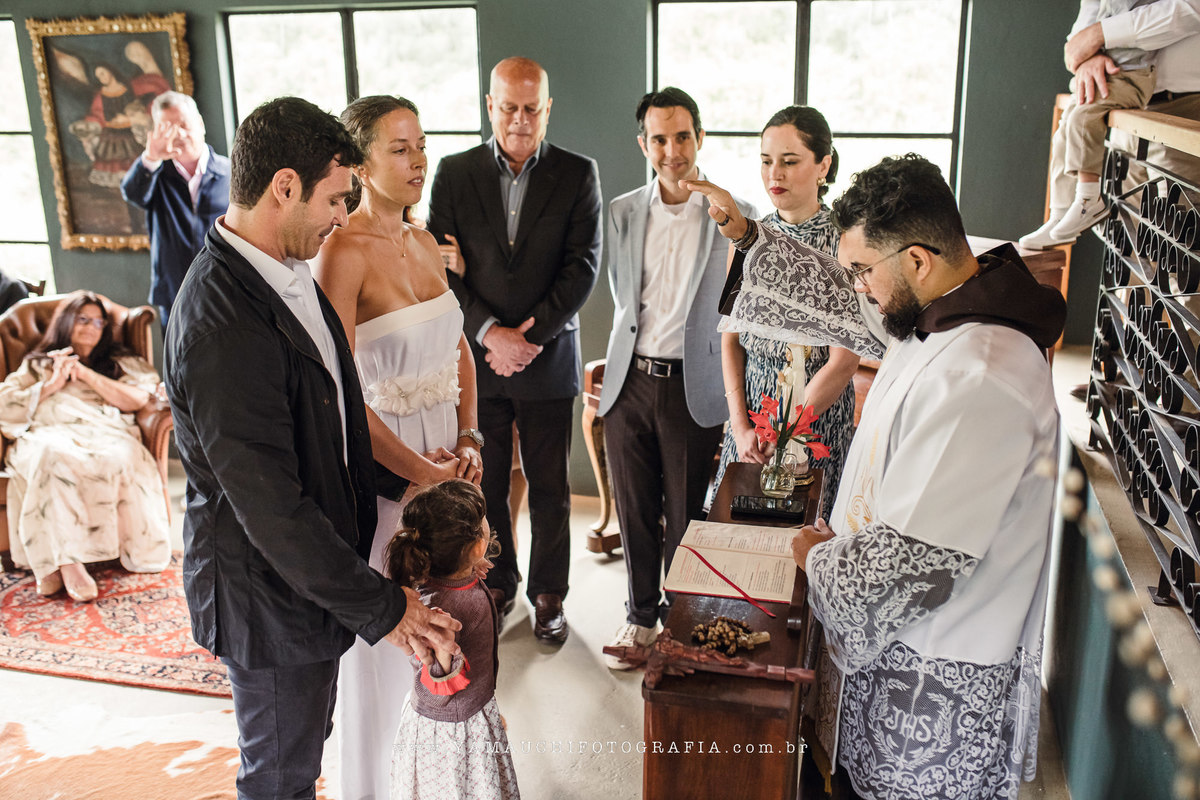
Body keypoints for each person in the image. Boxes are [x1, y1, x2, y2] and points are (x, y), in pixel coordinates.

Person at [690, 154, 1066, 798]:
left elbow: (914, 569)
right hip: (902, 659)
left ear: (918, 260)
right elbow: (839, 300)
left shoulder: (980, 379)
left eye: (864, 270)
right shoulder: (945, 304)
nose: (857, 287)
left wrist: (819, 554)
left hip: (931, 678)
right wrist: (749, 238)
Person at [162, 96, 461, 800]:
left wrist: (405, 488)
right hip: (263, 596)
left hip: (308, 580)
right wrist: (389, 610)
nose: (341, 216)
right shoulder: (220, 326)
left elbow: (333, 421)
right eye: (334, 198)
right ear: (284, 186)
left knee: (307, 750)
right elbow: (271, 508)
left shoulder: (290, 269)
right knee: (280, 776)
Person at [313, 94, 482, 800]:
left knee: (456, 618)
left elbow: (459, 346)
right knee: (398, 630)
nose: (419, 162)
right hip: (390, 477)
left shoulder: (422, 239)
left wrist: (470, 435)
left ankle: (442, 778)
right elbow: (342, 397)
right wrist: (421, 474)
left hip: (449, 455)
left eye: (421, 145)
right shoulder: (340, 251)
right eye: (400, 149)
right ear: (358, 163)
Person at [427, 57, 602, 643]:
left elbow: (583, 268)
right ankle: (498, 581)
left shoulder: (579, 174)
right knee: (490, 483)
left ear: (548, 108)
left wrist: (527, 339)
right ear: (490, 105)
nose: (521, 120)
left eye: (532, 108)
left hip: (547, 360)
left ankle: (550, 594)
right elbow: (441, 266)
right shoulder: (453, 173)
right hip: (479, 363)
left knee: (552, 487)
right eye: (509, 107)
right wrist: (488, 333)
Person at [596, 87, 756, 668]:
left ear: (700, 138)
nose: (671, 150)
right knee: (635, 507)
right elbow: (622, 298)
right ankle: (639, 620)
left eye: (682, 136)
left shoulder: (732, 213)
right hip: (629, 381)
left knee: (686, 510)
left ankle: (681, 623)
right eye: (659, 139)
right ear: (644, 144)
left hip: (694, 384)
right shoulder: (620, 211)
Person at [714, 105, 858, 517]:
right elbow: (730, 338)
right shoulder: (747, 236)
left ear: (823, 165)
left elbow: (844, 361)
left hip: (816, 418)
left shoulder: (845, 242)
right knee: (743, 542)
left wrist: (789, 429)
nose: (774, 174)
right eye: (766, 161)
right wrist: (740, 427)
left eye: (789, 161)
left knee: (805, 550)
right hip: (751, 420)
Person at [0, 290, 169, 603]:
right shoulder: (37, 364)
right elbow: (4, 403)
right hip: (49, 429)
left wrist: (86, 375)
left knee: (117, 455)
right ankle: (67, 562)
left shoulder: (120, 362)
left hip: (102, 429)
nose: (92, 327)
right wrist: (50, 385)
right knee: (50, 456)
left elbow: (138, 399)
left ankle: (51, 564)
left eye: (99, 322)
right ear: (67, 321)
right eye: (83, 319)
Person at [386, 479, 520, 800]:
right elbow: (434, 681)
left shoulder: (450, 576)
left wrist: (472, 567)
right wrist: (443, 664)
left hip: (470, 708)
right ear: (474, 545)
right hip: (454, 733)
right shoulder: (440, 612)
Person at [1018, 0, 1160, 249]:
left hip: (1130, 74)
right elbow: (1078, 40)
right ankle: (1060, 211)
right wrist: (1088, 55)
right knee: (1066, 128)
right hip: (1104, 73)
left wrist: (1098, 42)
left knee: (1083, 120)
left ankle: (1088, 199)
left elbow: (1163, 20)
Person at [1060, 0, 1200, 198]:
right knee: (1119, 224)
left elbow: (1191, 8)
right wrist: (1090, 53)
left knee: (1178, 221)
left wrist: (1101, 34)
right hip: (1121, 111)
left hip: (1181, 113)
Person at [121, 91, 231, 330]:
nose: (179, 134)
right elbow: (132, 193)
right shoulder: (154, 174)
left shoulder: (231, 173)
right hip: (173, 294)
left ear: (200, 124)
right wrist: (151, 157)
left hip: (225, 291)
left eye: (183, 124)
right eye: (168, 128)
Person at [69, 63, 150, 188]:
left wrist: (128, 118)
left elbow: (137, 109)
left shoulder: (126, 90)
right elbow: (97, 114)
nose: (101, 78)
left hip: (129, 134)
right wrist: (89, 124)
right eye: (98, 76)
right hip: (110, 136)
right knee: (114, 172)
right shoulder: (100, 95)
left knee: (135, 171)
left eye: (102, 73)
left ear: (110, 71)